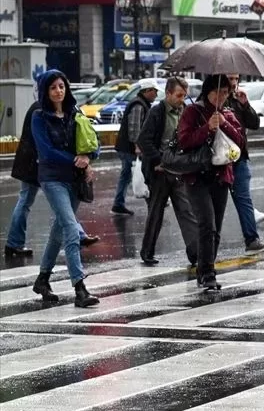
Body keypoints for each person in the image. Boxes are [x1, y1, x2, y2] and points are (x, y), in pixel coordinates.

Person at [29, 70, 99, 308]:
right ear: (45, 92)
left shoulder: (75, 112)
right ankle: (80, 288)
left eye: (61, 86)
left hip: (75, 180)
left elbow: (93, 143)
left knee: (58, 232)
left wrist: (88, 157)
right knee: (70, 229)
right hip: (52, 179)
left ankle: (42, 279)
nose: (58, 91)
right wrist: (75, 160)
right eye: (53, 88)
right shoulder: (39, 117)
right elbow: (45, 151)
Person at [176, 74, 245, 291]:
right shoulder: (192, 112)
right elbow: (184, 141)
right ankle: (206, 273)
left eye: (226, 93)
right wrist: (207, 127)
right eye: (218, 92)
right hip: (197, 176)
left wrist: (224, 125)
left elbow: (240, 143)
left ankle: (207, 266)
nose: (222, 97)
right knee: (207, 223)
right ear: (208, 92)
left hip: (221, 176)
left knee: (216, 229)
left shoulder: (227, 114)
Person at [6, 98, 99, 258]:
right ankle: (14, 243)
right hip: (36, 163)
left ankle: (79, 235)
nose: (60, 91)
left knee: (51, 203)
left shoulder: (50, 107)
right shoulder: (40, 110)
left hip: (37, 161)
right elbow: (40, 142)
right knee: (28, 201)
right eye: (54, 87)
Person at [137, 77, 199, 267]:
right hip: (160, 171)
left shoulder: (186, 112)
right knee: (156, 212)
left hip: (179, 170)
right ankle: (147, 252)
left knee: (186, 210)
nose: (182, 99)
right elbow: (143, 140)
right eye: (179, 95)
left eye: (184, 96)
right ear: (168, 93)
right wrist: (158, 160)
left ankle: (195, 252)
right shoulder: (157, 112)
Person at [225, 74, 264, 255]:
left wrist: (245, 104)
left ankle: (252, 240)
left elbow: (254, 123)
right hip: (219, 161)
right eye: (230, 77)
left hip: (239, 157)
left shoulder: (237, 100)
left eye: (236, 78)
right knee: (216, 204)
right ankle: (207, 247)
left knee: (244, 199)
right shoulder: (214, 100)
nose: (233, 81)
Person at [111, 85, 156, 215]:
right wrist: (138, 146)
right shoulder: (139, 105)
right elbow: (134, 128)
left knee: (127, 174)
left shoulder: (140, 103)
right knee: (141, 172)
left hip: (126, 146)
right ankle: (151, 201)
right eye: (154, 91)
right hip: (129, 148)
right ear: (147, 91)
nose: (156, 95)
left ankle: (119, 203)